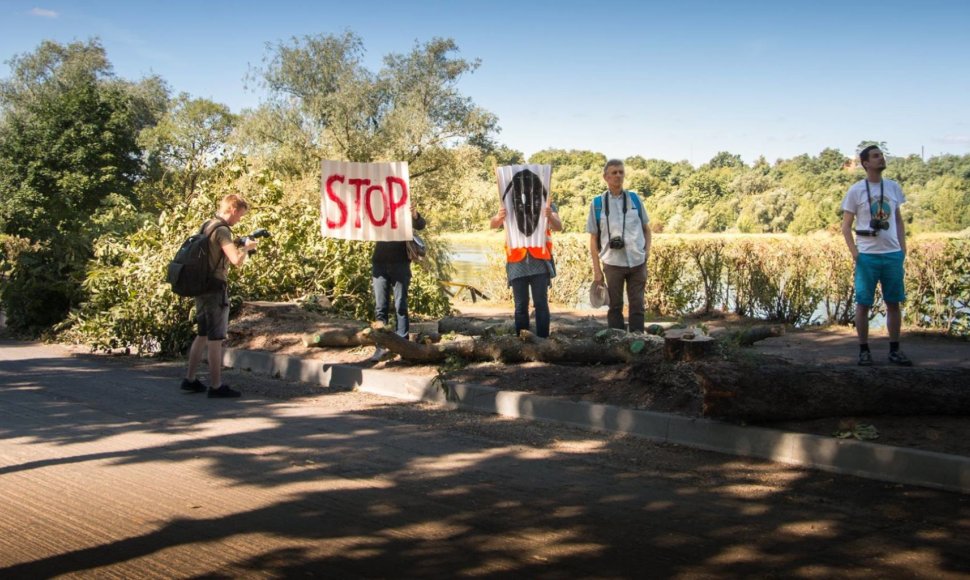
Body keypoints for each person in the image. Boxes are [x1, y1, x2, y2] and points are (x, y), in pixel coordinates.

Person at [841, 145, 912, 366]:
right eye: (875, 156)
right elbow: (845, 227)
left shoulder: (892, 187)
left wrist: (902, 248)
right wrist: (856, 254)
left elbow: (898, 220)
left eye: (881, 155)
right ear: (865, 164)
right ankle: (864, 351)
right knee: (863, 304)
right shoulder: (856, 191)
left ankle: (894, 350)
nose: (881, 158)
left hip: (892, 254)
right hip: (867, 257)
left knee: (893, 303)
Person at [181, 194, 258, 398]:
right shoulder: (223, 230)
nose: (239, 219)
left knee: (202, 334)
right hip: (215, 289)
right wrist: (247, 249)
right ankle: (216, 386)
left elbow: (214, 251)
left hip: (201, 286)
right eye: (240, 215)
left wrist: (238, 242)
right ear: (233, 209)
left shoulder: (208, 224)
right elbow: (235, 261)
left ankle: (190, 380)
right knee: (216, 337)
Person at [586, 159, 651, 333]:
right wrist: (597, 270)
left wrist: (646, 253)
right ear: (605, 177)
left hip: (637, 261)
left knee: (637, 305)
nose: (618, 176)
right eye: (614, 172)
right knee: (615, 306)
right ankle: (617, 343)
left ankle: (638, 341)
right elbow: (593, 239)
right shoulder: (598, 204)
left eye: (621, 172)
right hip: (612, 263)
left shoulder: (635, 199)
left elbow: (647, 229)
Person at [490, 200, 563, 338]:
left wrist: (550, 216)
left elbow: (559, 227)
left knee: (541, 303)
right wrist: (499, 217)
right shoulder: (509, 200)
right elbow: (493, 224)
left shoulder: (546, 201)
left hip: (540, 259)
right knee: (520, 305)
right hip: (517, 260)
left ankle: (543, 341)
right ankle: (522, 341)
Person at [373, 207, 425, 339]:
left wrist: (414, 215)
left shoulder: (404, 210)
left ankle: (403, 343)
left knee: (401, 305)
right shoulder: (377, 209)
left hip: (400, 263)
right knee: (380, 307)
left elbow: (420, 225)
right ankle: (381, 344)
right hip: (380, 263)